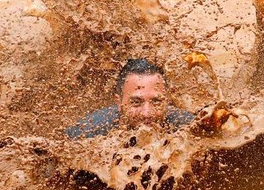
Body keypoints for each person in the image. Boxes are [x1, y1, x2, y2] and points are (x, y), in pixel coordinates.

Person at [66, 58, 194, 139]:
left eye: (156, 102)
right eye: (136, 102)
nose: (147, 113)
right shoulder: (88, 133)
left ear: (167, 100)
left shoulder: (188, 129)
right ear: (119, 102)